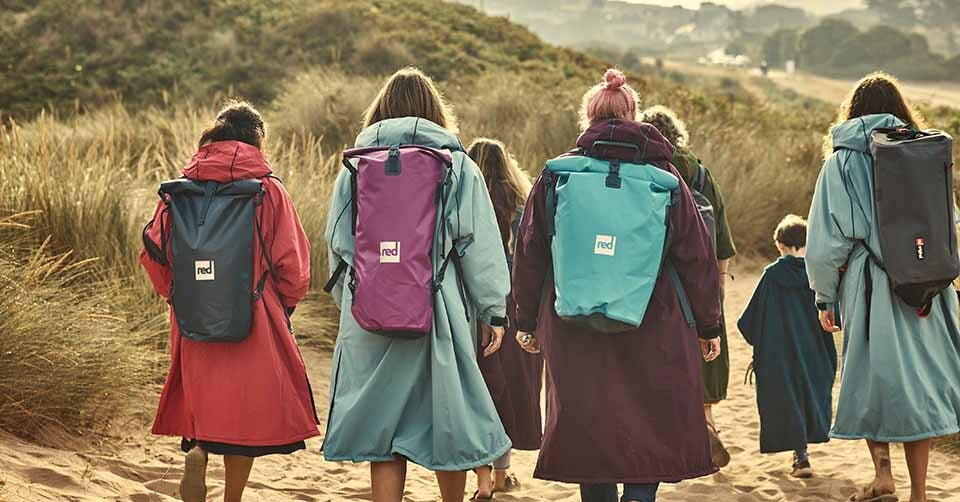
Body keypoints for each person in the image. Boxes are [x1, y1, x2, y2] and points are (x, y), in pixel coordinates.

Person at [512, 68, 723, 502]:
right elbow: (697, 259)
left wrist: (526, 321)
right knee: (650, 420)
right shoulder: (667, 180)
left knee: (589, 425)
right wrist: (708, 326)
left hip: (573, 324)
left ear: (588, 119)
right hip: (654, 321)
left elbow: (529, 252)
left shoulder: (557, 175)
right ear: (633, 116)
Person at [322, 67, 512, 502]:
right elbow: (479, 244)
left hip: (370, 313)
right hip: (439, 312)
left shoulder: (356, 165)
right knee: (449, 421)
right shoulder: (457, 165)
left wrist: (357, 298)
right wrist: (492, 311)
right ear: (435, 111)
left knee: (383, 429)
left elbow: (338, 242)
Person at [140, 101, 319, 502]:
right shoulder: (268, 190)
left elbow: (153, 252)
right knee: (242, 418)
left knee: (204, 401)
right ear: (258, 141)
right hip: (253, 316)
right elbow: (294, 265)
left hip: (192, 316)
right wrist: (282, 305)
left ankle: (200, 450)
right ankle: (232, 497)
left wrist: (178, 296)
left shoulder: (178, 191)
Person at [806, 72, 960, 502]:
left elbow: (826, 241)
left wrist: (825, 296)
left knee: (873, 378)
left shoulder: (841, 163)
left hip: (870, 283)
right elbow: (950, 221)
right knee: (921, 384)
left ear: (853, 111)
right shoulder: (925, 154)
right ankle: (920, 491)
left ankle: (883, 476)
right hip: (928, 285)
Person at [640, 105, 737, 467]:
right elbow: (721, 237)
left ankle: (667, 437)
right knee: (705, 349)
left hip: (656, 277)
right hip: (699, 275)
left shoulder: (643, 167)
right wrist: (718, 286)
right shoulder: (700, 172)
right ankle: (707, 422)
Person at [466, 138, 544, 499]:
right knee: (510, 392)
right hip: (515, 308)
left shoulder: (465, 203)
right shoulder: (523, 206)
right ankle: (500, 477)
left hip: (471, 307)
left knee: (479, 392)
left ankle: (482, 478)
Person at [737, 214, 837, 479]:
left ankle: (800, 456)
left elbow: (749, 320)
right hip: (815, 352)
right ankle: (802, 453)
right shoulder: (819, 275)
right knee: (808, 396)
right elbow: (834, 314)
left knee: (788, 400)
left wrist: (760, 343)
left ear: (780, 245)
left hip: (779, 353)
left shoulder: (772, 275)